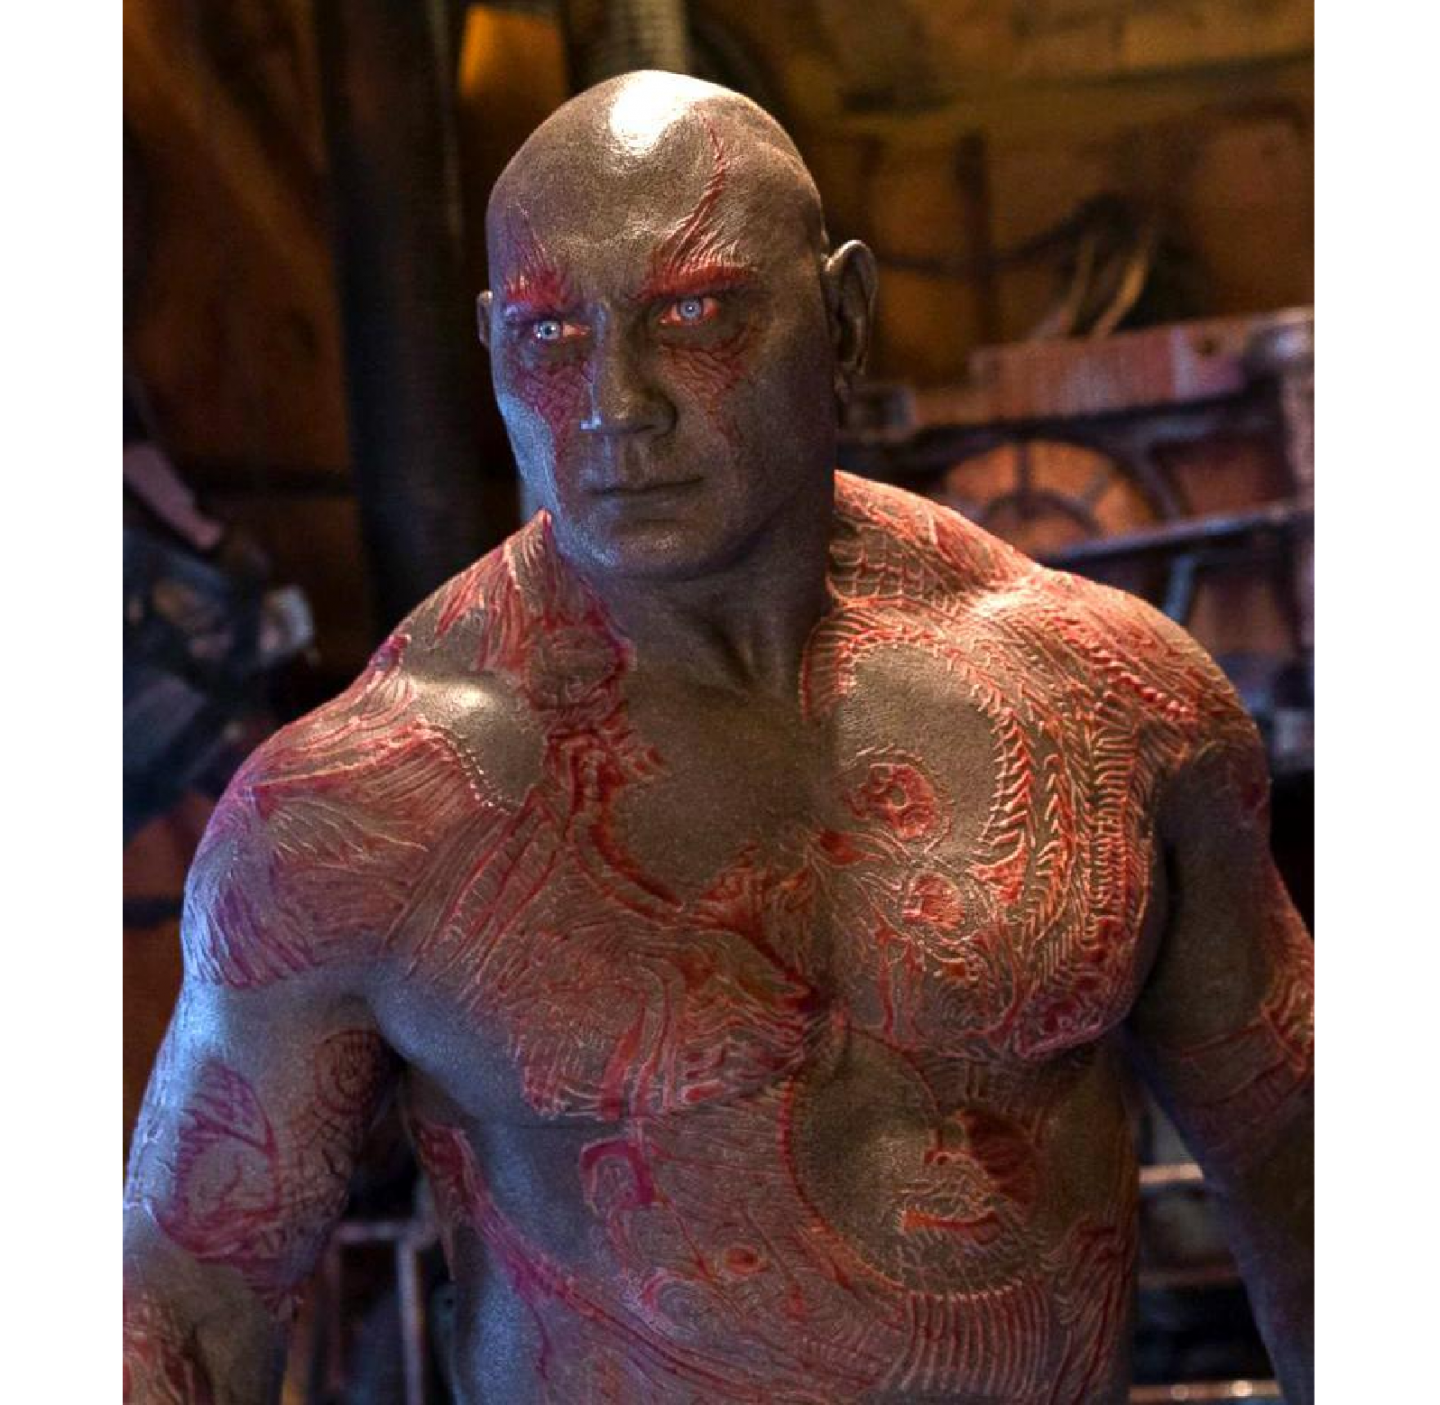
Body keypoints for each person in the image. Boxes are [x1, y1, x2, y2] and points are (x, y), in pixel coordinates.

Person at [122, 71, 1315, 1404]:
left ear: (843, 315)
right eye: (550, 333)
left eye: (692, 313)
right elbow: (185, 1317)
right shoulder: (360, 806)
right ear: (489, 344)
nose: (615, 403)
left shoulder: (1110, 702)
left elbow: (1292, 1161)